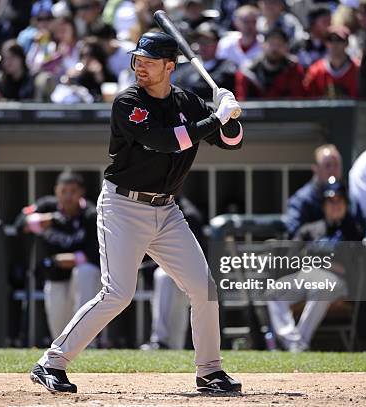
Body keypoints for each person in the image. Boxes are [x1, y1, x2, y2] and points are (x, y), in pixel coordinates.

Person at [30, 31, 244, 393]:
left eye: (148, 61)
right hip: (123, 207)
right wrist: (214, 118)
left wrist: (229, 113)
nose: (139, 66)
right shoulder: (128, 102)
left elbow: (231, 142)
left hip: (168, 210)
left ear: (169, 66)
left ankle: (210, 371)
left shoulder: (188, 102)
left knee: (203, 288)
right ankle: (51, 363)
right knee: (118, 293)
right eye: (137, 60)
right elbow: (165, 141)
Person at [268, 178, 366, 351]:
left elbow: (353, 266)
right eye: (330, 201)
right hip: (306, 275)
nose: (335, 205)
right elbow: (292, 258)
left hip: (336, 282)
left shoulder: (353, 229)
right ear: (323, 205)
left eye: (339, 201)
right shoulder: (310, 229)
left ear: (346, 204)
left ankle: (299, 344)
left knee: (322, 285)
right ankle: (294, 342)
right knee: (274, 292)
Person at [18, 171, 101, 342]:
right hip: (55, 275)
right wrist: (49, 220)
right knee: (59, 328)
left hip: (81, 274)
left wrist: (71, 259)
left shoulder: (90, 214)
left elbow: (97, 254)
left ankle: (88, 344)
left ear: (81, 193)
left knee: (84, 272)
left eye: (73, 191)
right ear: (56, 191)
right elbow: (20, 224)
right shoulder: (47, 206)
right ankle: (62, 351)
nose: (68, 196)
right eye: (63, 191)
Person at [140, 196, 205, 350]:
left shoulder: (189, 214)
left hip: (188, 278)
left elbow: (195, 258)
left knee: (163, 275)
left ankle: (160, 341)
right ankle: (161, 343)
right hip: (164, 281)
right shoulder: (145, 209)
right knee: (175, 340)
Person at [285, 144, 343, 238]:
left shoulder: (349, 197)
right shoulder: (302, 199)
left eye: (336, 165)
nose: (332, 170)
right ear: (315, 168)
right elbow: (294, 232)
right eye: (327, 165)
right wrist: (326, 225)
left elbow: (363, 230)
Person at [173, 22, 237, 101]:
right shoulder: (187, 69)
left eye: (207, 41)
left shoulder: (227, 67)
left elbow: (216, 86)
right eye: (199, 42)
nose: (203, 46)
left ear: (217, 43)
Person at [235, 28, 305, 100]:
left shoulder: (294, 70)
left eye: (279, 44)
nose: (275, 48)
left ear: (286, 48)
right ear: (263, 45)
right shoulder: (248, 72)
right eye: (271, 44)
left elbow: (298, 101)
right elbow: (243, 104)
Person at [303, 25, 360, 98]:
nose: (334, 44)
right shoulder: (315, 71)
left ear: (347, 43)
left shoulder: (358, 69)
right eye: (330, 40)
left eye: (339, 40)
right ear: (326, 43)